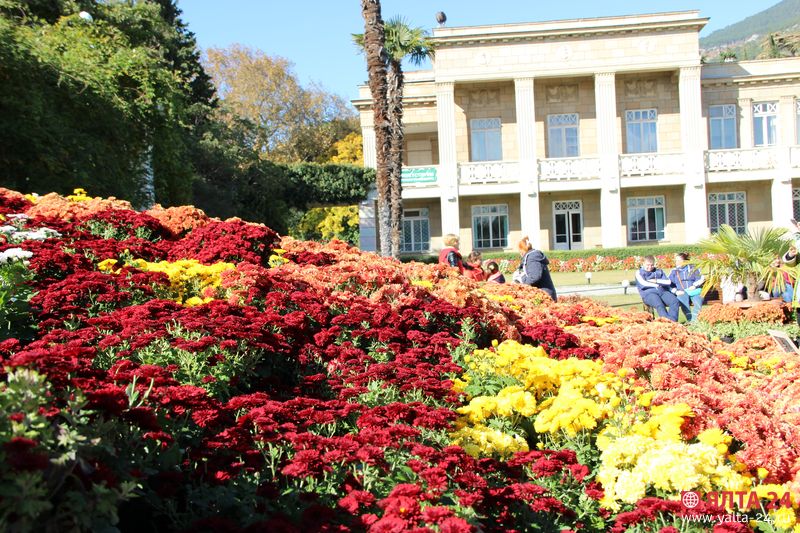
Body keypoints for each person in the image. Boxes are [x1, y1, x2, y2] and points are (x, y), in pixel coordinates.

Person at [635, 255, 679, 322]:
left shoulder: (659, 271)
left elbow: (668, 282)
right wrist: (656, 284)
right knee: (659, 305)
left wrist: (656, 281)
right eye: (648, 265)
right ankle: (667, 322)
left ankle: (673, 321)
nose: (650, 267)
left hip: (662, 291)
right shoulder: (639, 272)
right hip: (649, 294)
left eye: (652, 265)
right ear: (643, 264)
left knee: (674, 301)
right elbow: (643, 283)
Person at [514, 236, 557, 301]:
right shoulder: (530, 256)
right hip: (542, 293)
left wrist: (521, 282)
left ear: (521, 250)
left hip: (544, 295)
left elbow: (535, 277)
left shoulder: (532, 257)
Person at [668, 252, 705, 322]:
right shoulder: (674, 271)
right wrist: (676, 291)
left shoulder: (694, 268)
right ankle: (690, 319)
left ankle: (694, 322)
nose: (677, 262)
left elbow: (701, 278)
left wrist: (694, 285)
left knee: (698, 301)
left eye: (679, 260)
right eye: (676, 260)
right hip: (681, 292)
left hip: (694, 291)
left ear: (685, 261)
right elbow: (669, 284)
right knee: (683, 301)